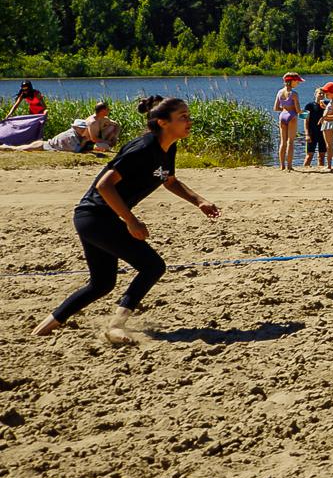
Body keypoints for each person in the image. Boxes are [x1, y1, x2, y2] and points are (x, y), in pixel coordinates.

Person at [32, 95, 220, 344]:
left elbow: (169, 180)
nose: (190, 121)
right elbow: (104, 185)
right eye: (183, 117)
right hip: (96, 217)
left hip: (97, 219)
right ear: (163, 122)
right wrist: (131, 220)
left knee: (101, 283)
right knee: (153, 266)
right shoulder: (142, 148)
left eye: (189, 116)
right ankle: (115, 326)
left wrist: (199, 201)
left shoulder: (167, 148)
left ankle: (43, 329)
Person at [0, 103, 115, 155]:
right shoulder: (72, 136)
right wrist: (90, 145)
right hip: (44, 145)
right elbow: (76, 150)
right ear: (79, 129)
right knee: (20, 149)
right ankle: (5, 148)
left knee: (22, 148)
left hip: (47, 144)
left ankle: (6, 147)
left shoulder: (78, 135)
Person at [273, 74, 302, 170]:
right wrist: (304, 113)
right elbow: (298, 110)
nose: (298, 83)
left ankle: (282, 166)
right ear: (292, 81)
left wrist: (284, 109)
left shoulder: (280, 92)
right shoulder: (294, 94)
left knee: (283, 142)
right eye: (297, 81)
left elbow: (276, 108)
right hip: (292, 116)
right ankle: (289, 166)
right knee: (290, 142)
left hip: (282, 116)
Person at [302, 89, 326, 168]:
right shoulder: (309, 105)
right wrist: (307, 134)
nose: (321, 95)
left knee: (321, 156)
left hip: (323, 133)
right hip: (312, 132)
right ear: (315, 94)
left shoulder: (327, 104)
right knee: (309, 155)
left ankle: (321, 170)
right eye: (320, 93)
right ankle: (305, 169)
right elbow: (304, 120)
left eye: (323, 94)